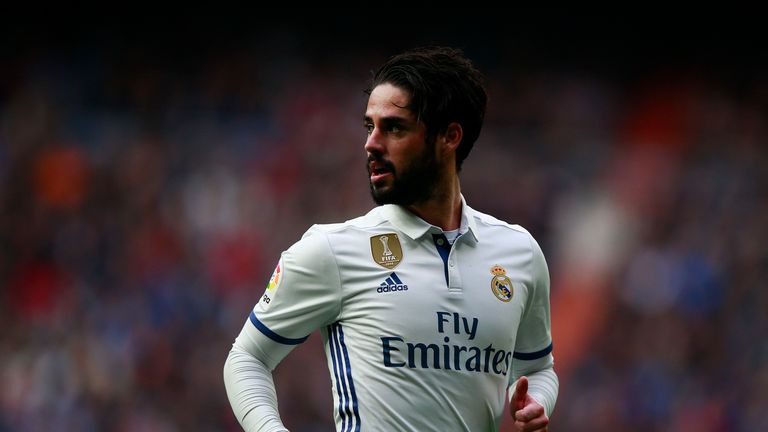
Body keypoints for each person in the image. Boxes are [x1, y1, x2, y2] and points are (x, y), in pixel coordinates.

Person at [223, 46, 558, 432]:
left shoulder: (519, 253)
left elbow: (538, 367)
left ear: (449, 136)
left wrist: (536, 401)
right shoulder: (332, 249)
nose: (371, 144)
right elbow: (247, 358)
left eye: (394, 128)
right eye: (370, 126)